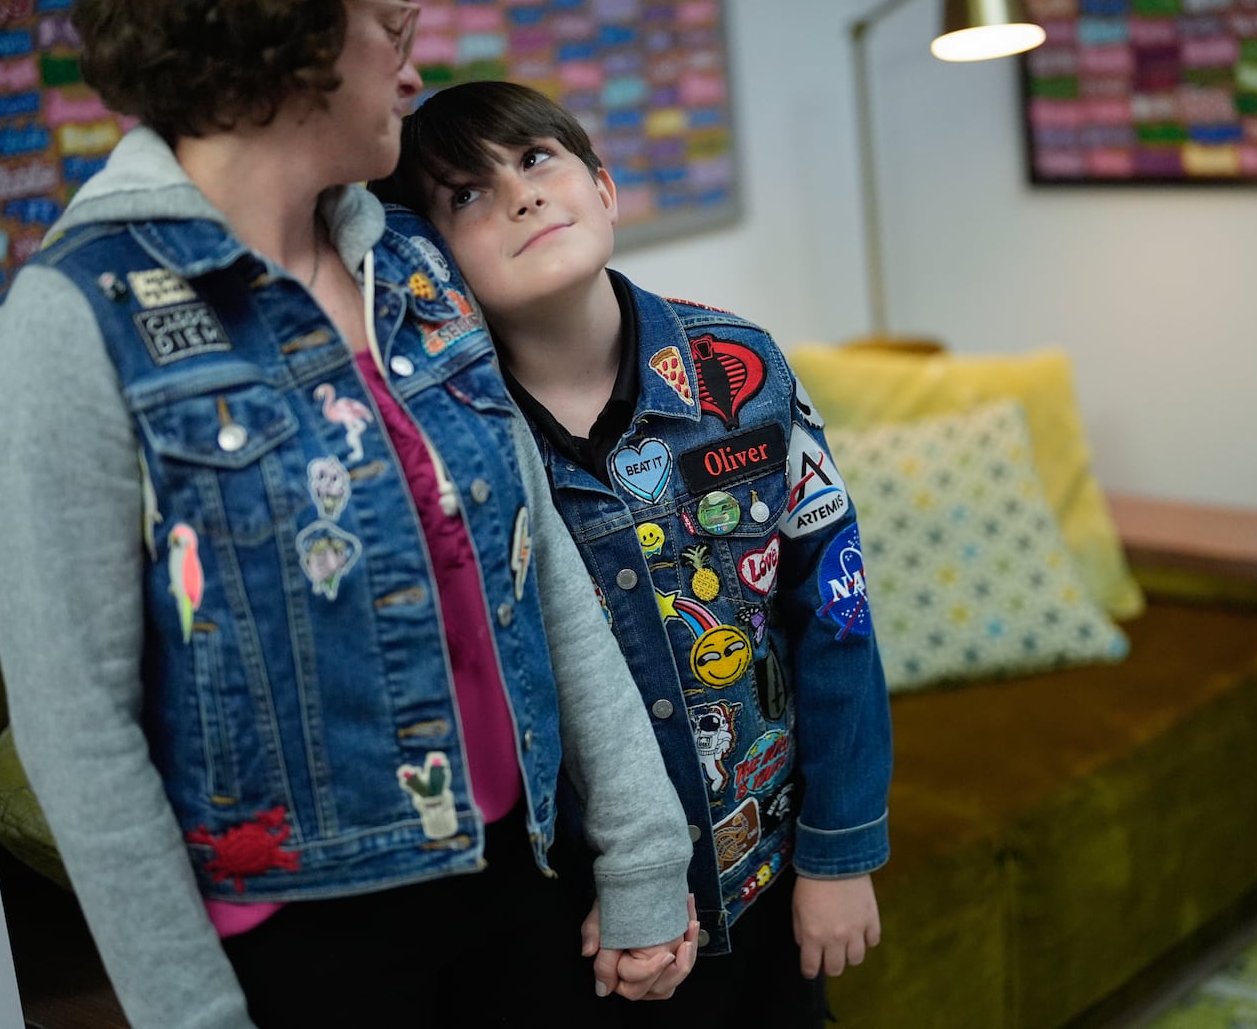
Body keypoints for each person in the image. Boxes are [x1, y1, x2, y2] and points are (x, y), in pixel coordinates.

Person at [0, 0, 697, 1027]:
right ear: (283, 37)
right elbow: (80, 730)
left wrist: (642, 850)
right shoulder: (69, 324)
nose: (416, 66)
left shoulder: (410, 262)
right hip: (310, 945)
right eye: (393, 27)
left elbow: (545, 580)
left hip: (523, 875)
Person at [372, 80, 894, 1027]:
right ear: (434, 265)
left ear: (603, 188)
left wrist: (842, 848)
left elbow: (837, 615)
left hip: (767, 873)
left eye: (535, 159)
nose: (521, 195)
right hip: (589, 923)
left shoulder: (741, 370)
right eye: (467, 194)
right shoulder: (460, 442)